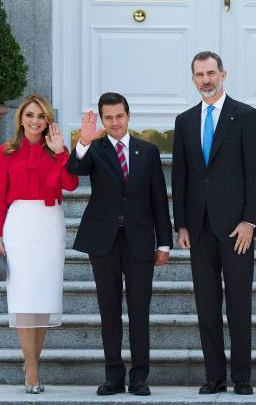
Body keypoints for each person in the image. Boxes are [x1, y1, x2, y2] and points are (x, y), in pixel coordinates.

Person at [172, 51, 256, 395]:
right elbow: (180, 176)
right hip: (198, 228)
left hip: (236, 229)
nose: (206, 80)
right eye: (199, 74)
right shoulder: (184, 121)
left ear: (223, 74)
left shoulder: (245, 116)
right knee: (206, 305)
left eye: (211, 73)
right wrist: (180, 224)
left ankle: (241, 376)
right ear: (193, 79)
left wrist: (250, 221)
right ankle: (214, 376)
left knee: (239, 303)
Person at [67, 92, 172, 397]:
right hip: (104, 243)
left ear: (128, 115)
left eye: (119, 116)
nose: (114, 122)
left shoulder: (148, 152)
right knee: (109, 310)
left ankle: (139, 377)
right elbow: (75, 170)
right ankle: (113, 376)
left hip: (139, 241)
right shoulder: (94, 149)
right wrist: (84, 141)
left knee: (140, 310)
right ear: (102, 120)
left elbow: (158, 200)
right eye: (108, 118)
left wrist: (163, 243)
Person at [0, 94, 79, 394]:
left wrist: (61, 152)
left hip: (50, 224)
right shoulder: (6, 151)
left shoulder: (57, 150)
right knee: (24, 298)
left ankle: (32, 363)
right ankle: (33, 369)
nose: (35, 121)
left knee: (42, 299)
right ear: (21, 119)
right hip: (19, 226)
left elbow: (70, 184)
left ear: (47, 120)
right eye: (30, 115)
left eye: (41, 116)